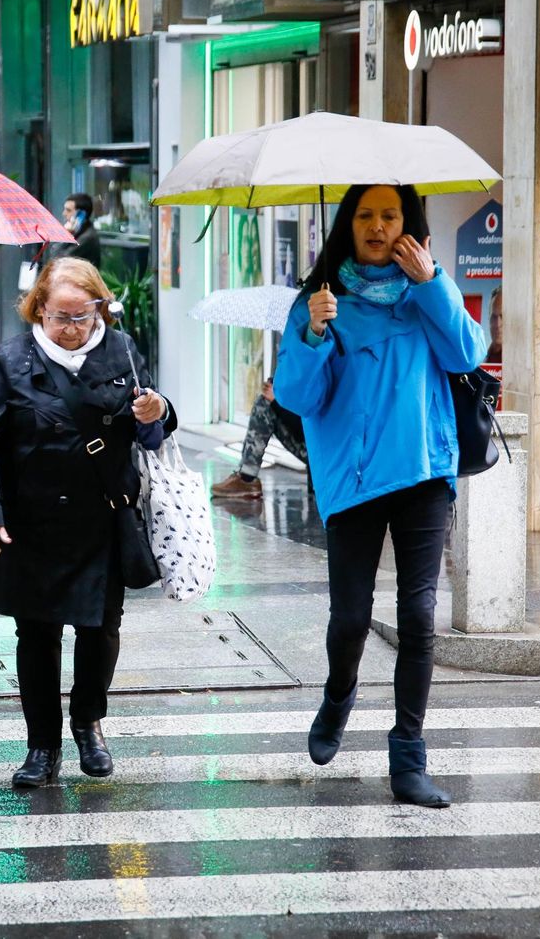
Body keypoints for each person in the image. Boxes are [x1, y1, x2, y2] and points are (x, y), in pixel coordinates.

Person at [275, 183, 488, 809]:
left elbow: (469, 354)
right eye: (365, 215)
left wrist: (432, 284)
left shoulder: (429, 290)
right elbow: (297, 398)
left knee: (419, 615)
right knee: (351, 618)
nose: (377, 227)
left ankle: (409, 758)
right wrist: (313, 336)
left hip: (424, 469)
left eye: (389, 215)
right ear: (348, 224)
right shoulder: (319, 301)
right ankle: (339, 694)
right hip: (354, 478)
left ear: (408, 222)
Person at [0, 258, 173, 788]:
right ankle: (41, 746)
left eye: (83, 316)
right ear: (39, 310)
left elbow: (153, 429)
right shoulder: (10, 361)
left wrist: (158, 411)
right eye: (61, 317)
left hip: (103, 517)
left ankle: (88, 722)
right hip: (31, 522)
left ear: (100, 308)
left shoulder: (121, 351)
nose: (72, 328)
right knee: (36, 634)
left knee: (100, 630)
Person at [210, 371, 308, 500]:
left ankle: (247, 478)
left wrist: (278, 402)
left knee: (265, 405)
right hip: (320, 454)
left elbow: (308, 430)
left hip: (327, 457)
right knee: (266, 401)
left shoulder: (322, 372)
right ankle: (246, 477)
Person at [52, 193, 101, 267]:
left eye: (68, 210)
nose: (64, 213)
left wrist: (65, 234)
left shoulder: (87, 237)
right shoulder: (77, 231)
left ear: (81, 215)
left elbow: (58, 260)